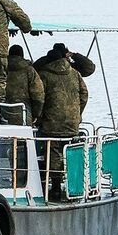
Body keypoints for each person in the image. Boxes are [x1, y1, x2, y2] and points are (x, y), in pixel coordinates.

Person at [34, 42, 93, 199]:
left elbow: (39, 97)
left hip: (51, 123)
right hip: (72, 123)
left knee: (52, 152)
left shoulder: (44, 75)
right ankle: (75, 186)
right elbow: (84, 94)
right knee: (71, 151)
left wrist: (38, 117)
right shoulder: (74, 73)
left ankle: (55, 186)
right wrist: (77, 113)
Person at [4, 44, 45, 127]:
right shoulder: (29, 70)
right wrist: (36, 114)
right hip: (23, 113)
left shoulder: (2, 68)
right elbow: (38, 94)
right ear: (22, 55)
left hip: (1, 112)